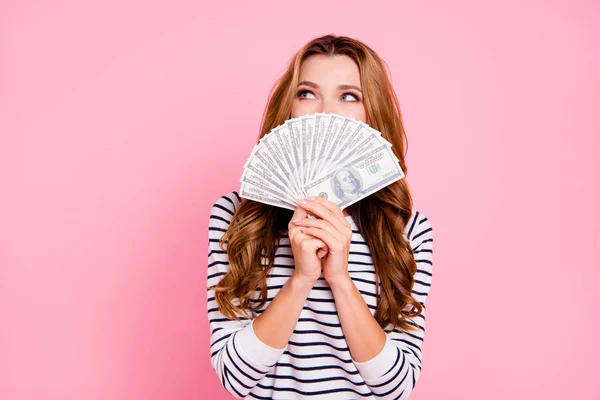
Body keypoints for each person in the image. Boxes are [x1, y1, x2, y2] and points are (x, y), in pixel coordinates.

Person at [207, 34, 434, 399]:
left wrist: (340, 279)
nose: (325, 111)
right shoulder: (237, 218)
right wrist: (301, 278)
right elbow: (235, 378)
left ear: (371, 112)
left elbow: (395, 386)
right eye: (307, 93)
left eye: (349, 96)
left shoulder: (405, 231)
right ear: (289, 107)